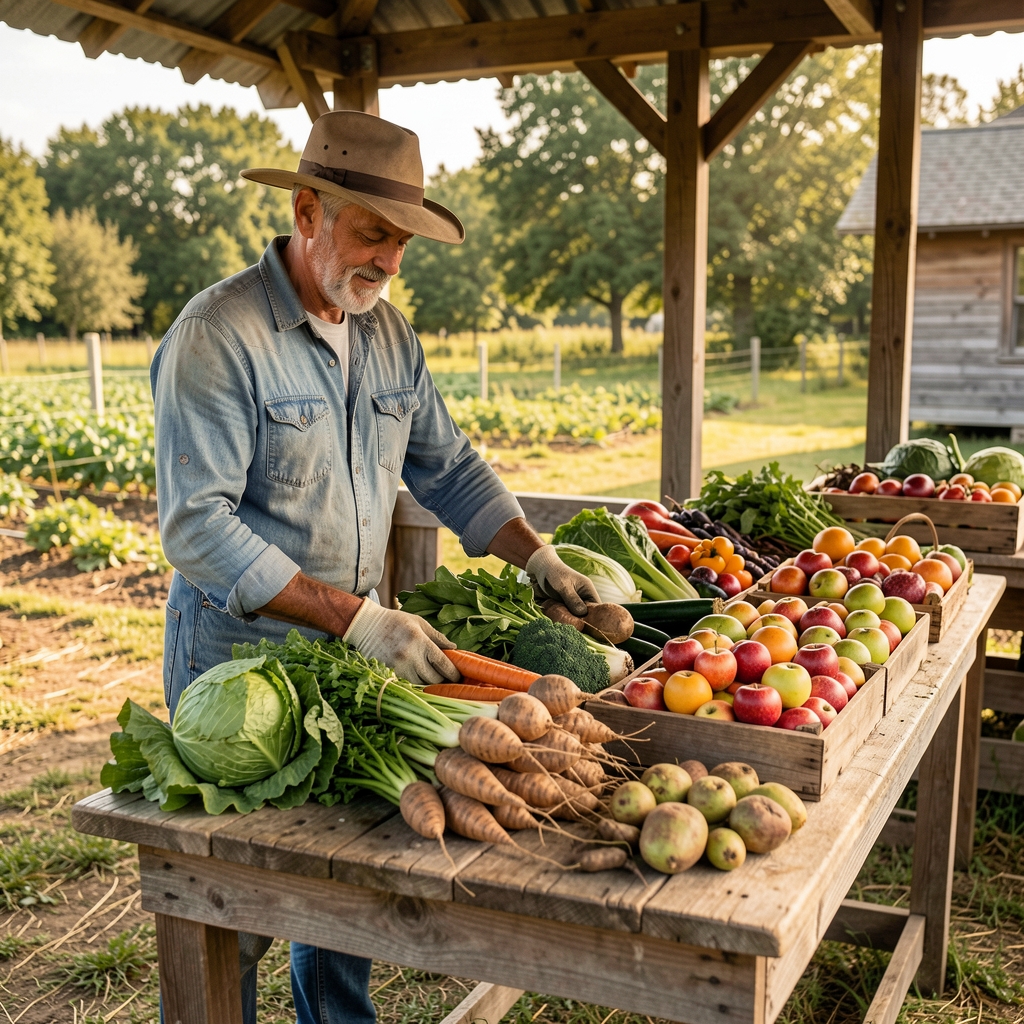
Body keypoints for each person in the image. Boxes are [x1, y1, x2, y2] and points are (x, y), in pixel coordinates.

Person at [150, 110, 598, 1024]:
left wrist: (538, 556)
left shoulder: (387, 335)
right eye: (372, 234)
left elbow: (450, 466)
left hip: (357, 662)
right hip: (239, 665)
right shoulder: (219, 334)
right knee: (235, 904)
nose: (390, 261)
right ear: (307, 213)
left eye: (401, 241)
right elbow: (197, 530)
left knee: (343, 885)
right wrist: (357, 617)